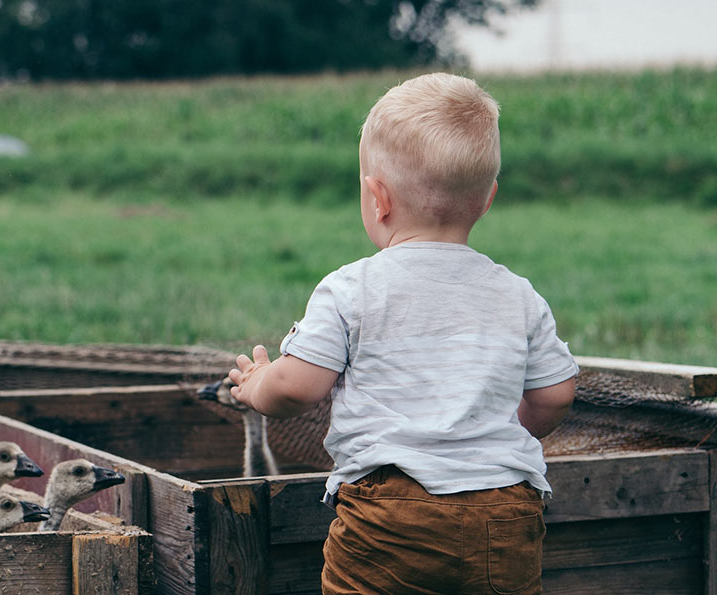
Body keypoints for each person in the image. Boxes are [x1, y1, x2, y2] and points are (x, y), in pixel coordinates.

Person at [228, 72, 578, 594]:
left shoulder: (351, 288)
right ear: (487, 200)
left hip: (390, 515)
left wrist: (257, 384)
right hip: (504, 512)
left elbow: (297, 387)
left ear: (378, 198)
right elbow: (555, 394)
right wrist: (514, 429)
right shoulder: (517, 293)